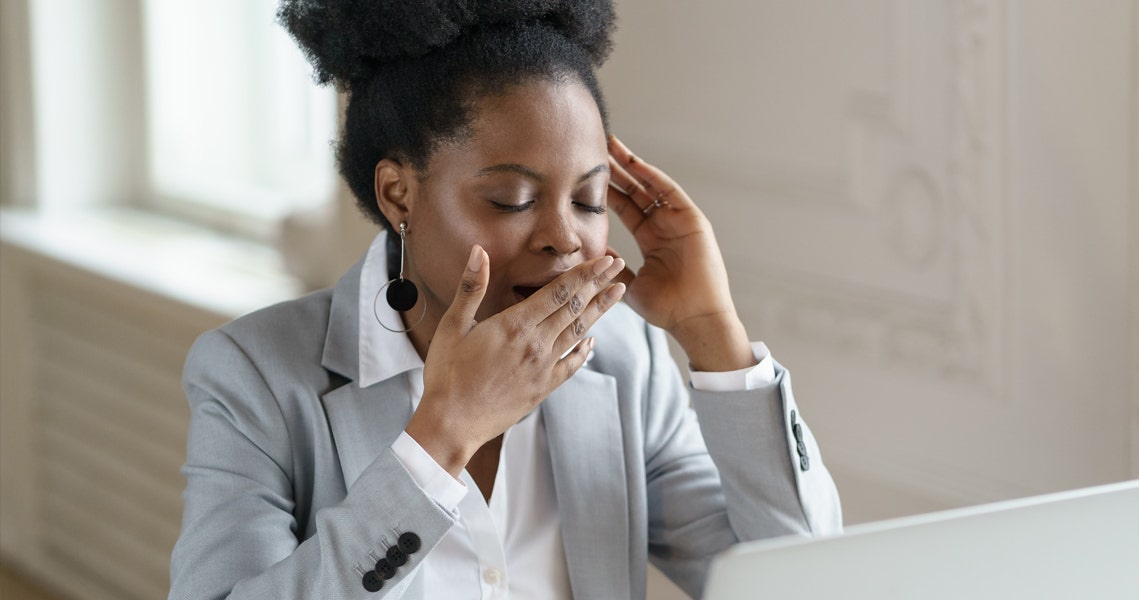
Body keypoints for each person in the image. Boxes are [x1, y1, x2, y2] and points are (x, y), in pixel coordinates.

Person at [168, 0, 841, 598]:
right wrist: (440, 438)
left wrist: (711, 333)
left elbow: (807, 583)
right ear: (398, 193)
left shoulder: (624, 362)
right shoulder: (254, 374)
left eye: (589, 199)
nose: (564, 238)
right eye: (511, 199)